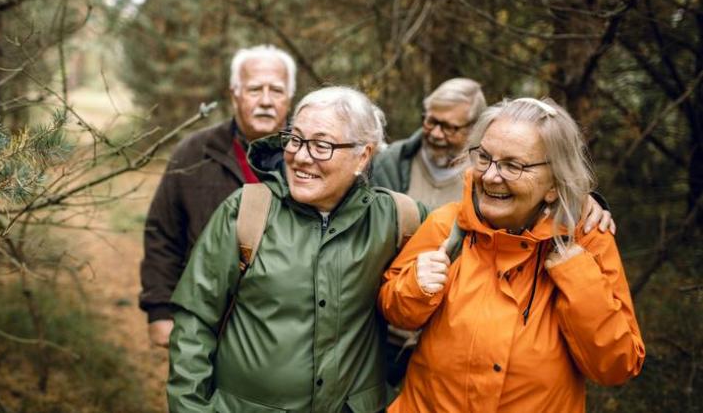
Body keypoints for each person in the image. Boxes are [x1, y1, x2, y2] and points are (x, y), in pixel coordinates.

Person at [167, 86, 427, 412]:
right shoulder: (247, 211)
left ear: (362, 155)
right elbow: (194, 320)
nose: (301, 156)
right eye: (296, 139)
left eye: (321, 145)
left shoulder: (399, 220)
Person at [378, 98, 645, 412]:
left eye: (513, 165)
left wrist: (576, 274)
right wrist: (416, 286)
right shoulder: (447, 225)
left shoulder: (588, 241)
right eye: (484, 158)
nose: (491, 176)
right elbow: (394, 311)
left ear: (553, 183)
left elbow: (615, 366)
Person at [139, 44, 296, 347]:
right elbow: (162, 233)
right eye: (254, 89)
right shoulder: (194, 152)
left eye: (276, 90)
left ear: (289, 97)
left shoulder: (308, 158)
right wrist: (159, 310)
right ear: (234, 93)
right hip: (205, 318)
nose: (266, 101)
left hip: (285, 328)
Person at [372, 78, 487, 207]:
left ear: (473, 129)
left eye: (449, 127)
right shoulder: (391, 162)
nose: (435, 134)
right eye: (431, 121)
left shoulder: (485, 177)